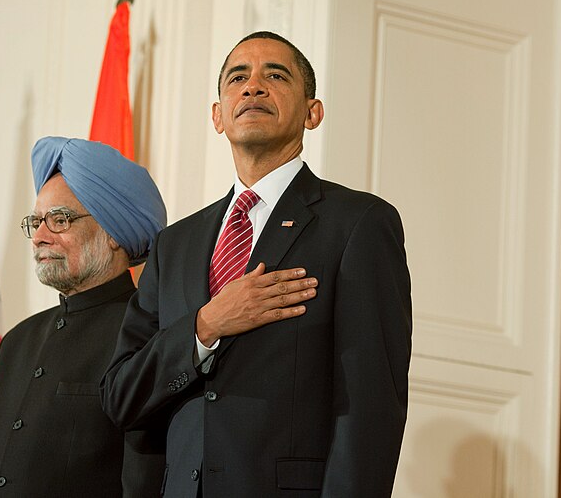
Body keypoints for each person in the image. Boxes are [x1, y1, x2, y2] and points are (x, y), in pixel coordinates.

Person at [102, 31, 412, 497]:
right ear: (217, 115)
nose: (253, 87)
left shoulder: (359, 224)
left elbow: (370, 410)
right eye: (238, 77)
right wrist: (206, 325)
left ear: (313, 111)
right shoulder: (175, 244)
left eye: (276, 75)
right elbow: (122, 396)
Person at [0, 136, 167, 497]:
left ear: (113, 233)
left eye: (59, 220)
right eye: (36, 222)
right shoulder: (17, 342)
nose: (39, 238)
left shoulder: (147, 334)